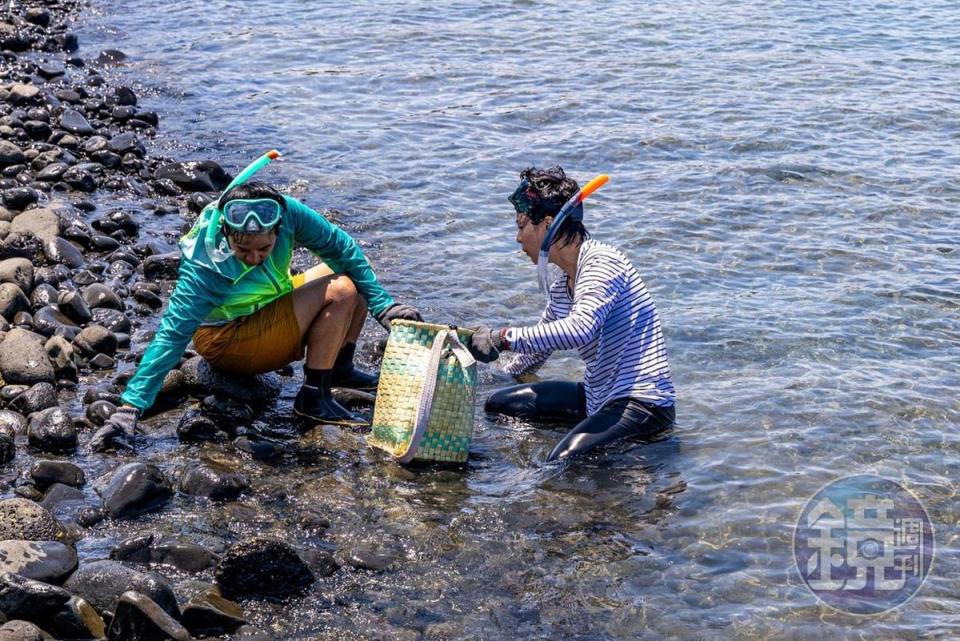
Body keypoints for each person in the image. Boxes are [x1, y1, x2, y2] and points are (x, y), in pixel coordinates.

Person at [102, 151, 420, 439]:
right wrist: (130, 407)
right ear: (226, 233)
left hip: (265, 306)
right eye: (243, 250)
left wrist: (383, 305)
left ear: (278, 228)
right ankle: (313, 397)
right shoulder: (207, 264)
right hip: (227, 339)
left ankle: (338, 368)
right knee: (341, 290)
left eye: (265, 248)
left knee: (351, 272)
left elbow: (342, 247)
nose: (255, 258)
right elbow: (171, 335)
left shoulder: (287, 213)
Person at [466, 166, 676, 462]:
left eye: (521, 225)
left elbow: (580, 329)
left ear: (547, 224)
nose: (517, 238)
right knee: (498, 405)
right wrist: (489, 369)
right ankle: (524, 457)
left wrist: (502, 338)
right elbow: (541, 346)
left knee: (560, 461)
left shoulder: (602, 263)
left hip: (642, 405)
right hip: (596, 396)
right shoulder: (564, 283)